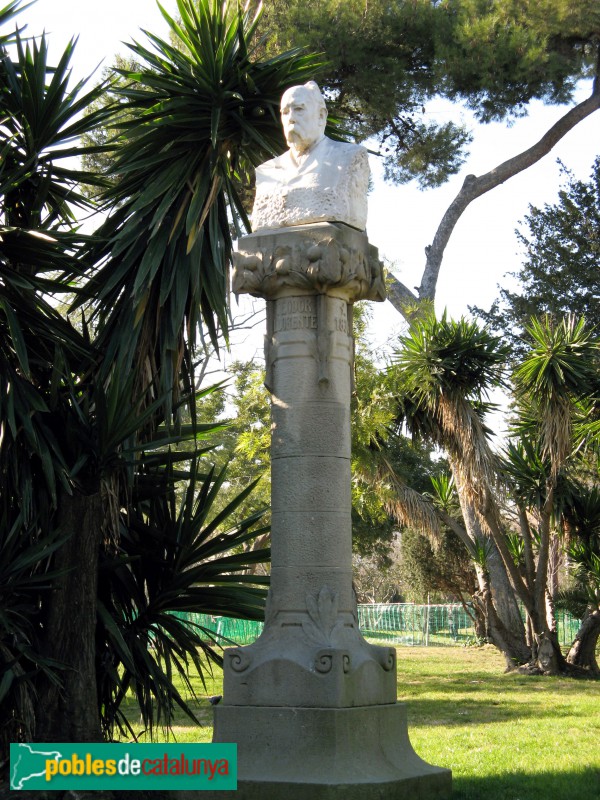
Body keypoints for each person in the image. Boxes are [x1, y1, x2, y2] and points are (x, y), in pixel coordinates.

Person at [251, 81, 369, 232]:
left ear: (321, 116)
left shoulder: (349, 157)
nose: (291, 118)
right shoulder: (267, 170)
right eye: (285, 112)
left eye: (299, 109)